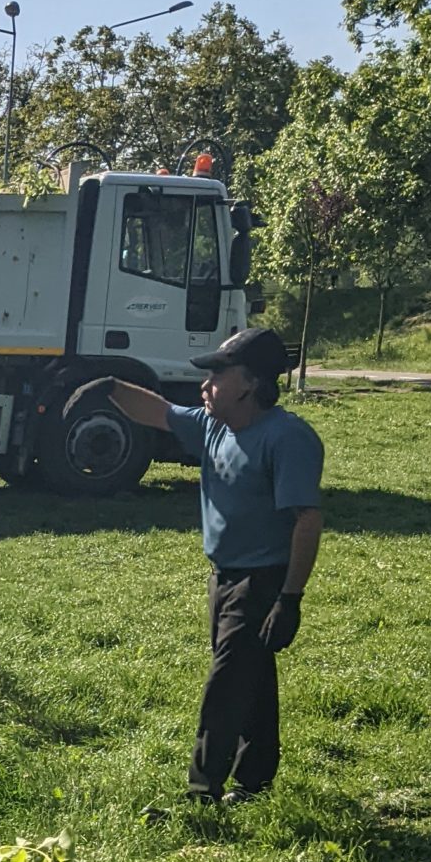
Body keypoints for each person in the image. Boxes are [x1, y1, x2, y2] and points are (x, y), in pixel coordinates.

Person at [104, 327, 324, 806]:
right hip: (222, 576)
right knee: (252, 675)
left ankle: (202, 791)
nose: (204, 386)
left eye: (217, 376)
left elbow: (306, 520)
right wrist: (107, 386)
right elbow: (156, 411)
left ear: (248, 384)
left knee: (226, 683)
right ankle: (256, 781)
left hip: (263, 579)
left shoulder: (288, 439)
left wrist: (290, 598)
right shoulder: (213, 426)